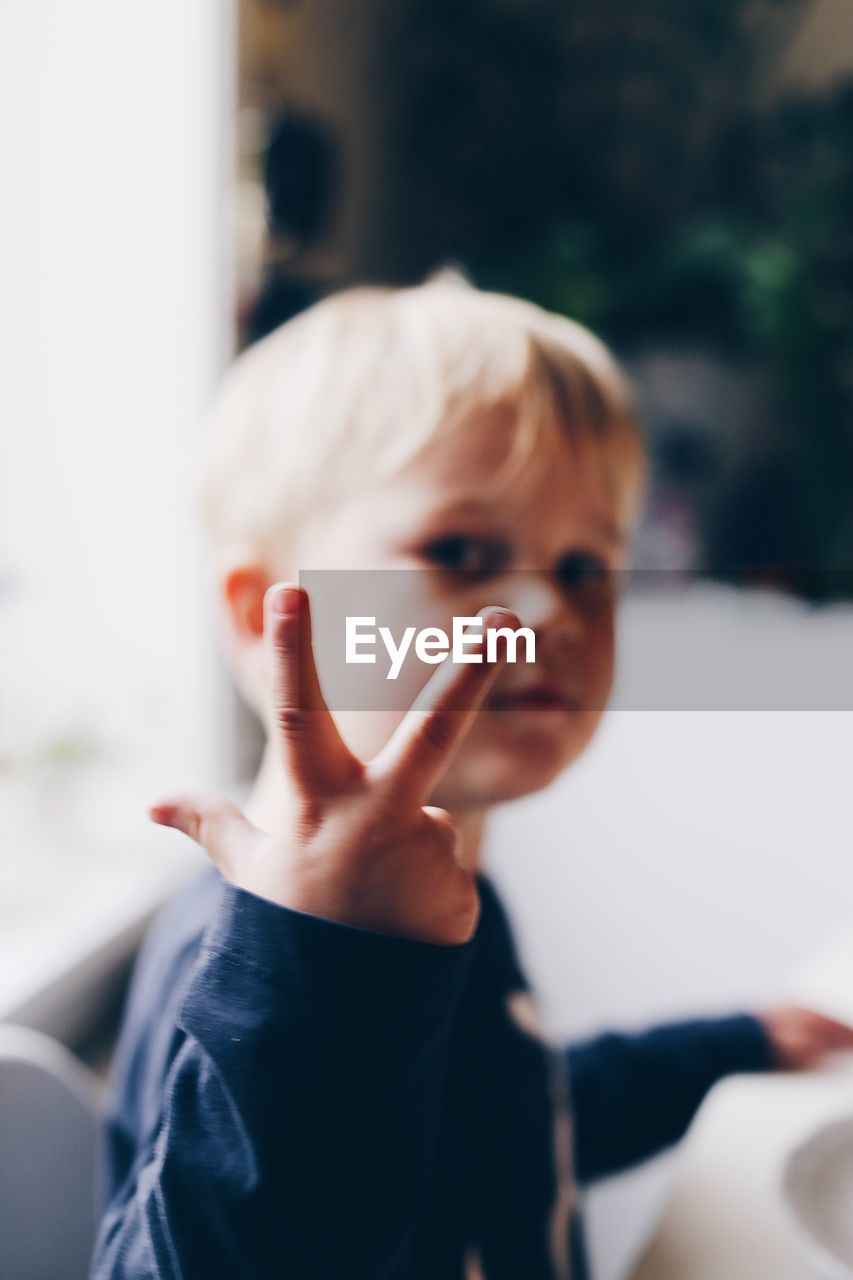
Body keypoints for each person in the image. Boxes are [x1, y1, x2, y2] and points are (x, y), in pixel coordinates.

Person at [91, 279, 853, 1279]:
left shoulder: (440, 901)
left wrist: (720, 1043)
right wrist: (320, 965)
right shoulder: (248, 973)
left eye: (586, 565)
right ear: (261, 612)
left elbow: (497, 1111)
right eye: (461, 551)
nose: (549, 604)